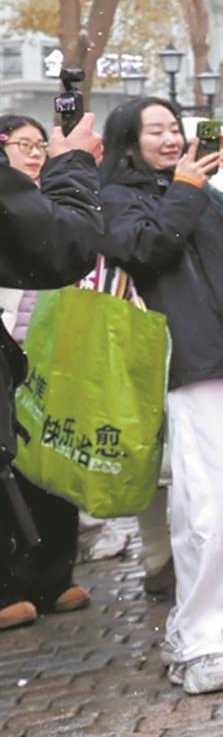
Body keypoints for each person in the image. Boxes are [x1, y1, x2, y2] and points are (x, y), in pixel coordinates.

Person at [101, 97, 223, 694]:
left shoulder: (205, 193)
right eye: (154, 130)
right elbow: (147, 248)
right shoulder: (119, 197)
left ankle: (220, 617)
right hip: (187, 358)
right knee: (207, 502)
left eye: (174, 129)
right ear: (128, 141)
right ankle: (195, 638)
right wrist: (185, 187)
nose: (169, 138)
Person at [0, 113, 100, 632]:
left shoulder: (46, 202)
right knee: (12, 474)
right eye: (23, 144)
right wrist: (74, 166)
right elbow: (64, 248)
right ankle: (12, 583)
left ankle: (54, 576)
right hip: (14, 356)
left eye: (41, 144)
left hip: (55, 360)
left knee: (54, 464)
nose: (35, 153)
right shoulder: (26, 208)